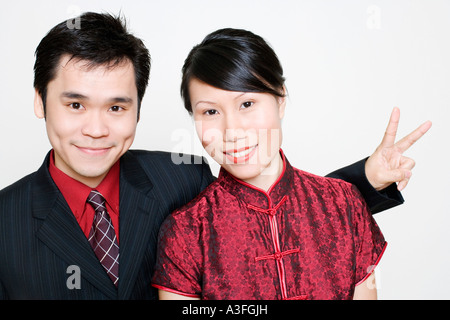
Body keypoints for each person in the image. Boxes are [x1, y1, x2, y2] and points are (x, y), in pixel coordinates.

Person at [0, 13, 428, 300]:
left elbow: (263, 207)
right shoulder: (5, 222)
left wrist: (364, 182)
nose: (96, 128)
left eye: (116, 107)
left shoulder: (178, 177)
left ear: (136, 108)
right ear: (40, 100)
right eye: (75, 105)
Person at [151, 28, 431, 300]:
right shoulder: (185, 232)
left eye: (247, 104)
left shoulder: (345, 203)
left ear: (280, 99)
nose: (232, 131)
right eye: (210, 111)